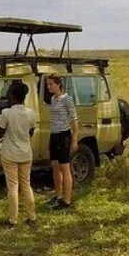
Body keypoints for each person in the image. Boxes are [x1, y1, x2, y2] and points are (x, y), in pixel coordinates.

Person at [0, 81, 37, 228]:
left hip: (10, 153)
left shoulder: (7, 113)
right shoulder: (31, 114)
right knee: (26, 184)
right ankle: (32, 217)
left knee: (13, 187)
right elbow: (30, 133)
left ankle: (13, 220)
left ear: (12, 97)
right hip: (26, 153)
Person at [45, 74, 78, 210]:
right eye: (48, 84)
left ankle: (67, 200)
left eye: (51, 84)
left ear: (59, 84)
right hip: (54, 134)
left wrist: (74, 139)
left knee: (65, 167)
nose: (49, 87)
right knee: (55, 166)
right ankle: (58, 195)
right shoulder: (53, 99)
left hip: (64, 135)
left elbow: (74, 119)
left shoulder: (67, 99)